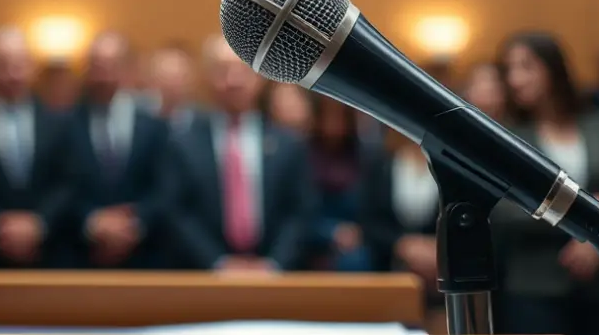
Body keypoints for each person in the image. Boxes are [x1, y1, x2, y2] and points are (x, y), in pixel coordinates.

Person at [491, 32, 599, 335]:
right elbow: (501, 209)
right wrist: (587, 219)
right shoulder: (508, 136)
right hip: (536, 289)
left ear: (553, 68)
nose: (515, 79)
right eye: (508, 70)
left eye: (526, 67)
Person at [162, 35, 316, 272]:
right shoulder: (183, 143)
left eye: (243, 69)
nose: (233, 80)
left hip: (276, 278)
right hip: (203, 277)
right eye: (222, 70)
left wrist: (274, 265)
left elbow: (300, 212)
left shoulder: (288, 144)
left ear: (259, 75)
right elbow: (177, 212)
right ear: (207, 77)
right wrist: (218, 263)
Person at [0, 27, 78, 268]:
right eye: (3, 65)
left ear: (32, 67)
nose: (12, 74)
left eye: (19, 64)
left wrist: (39, 223)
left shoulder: (59, 123)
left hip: (51, 253)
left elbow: (68, 182)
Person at [74, 33, 171, 269]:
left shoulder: (155, 126)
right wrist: (92, 221)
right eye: (97, 67)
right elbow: (62, 185)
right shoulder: (67, 124)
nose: (104, 76)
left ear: (128, 69)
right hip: (83, 255)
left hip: (146, 256)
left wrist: (135, 223)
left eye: (111, 66)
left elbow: (166, 187)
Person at [359, 128, 442, 328]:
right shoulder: (382, 163)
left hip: (439, 256)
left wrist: (438, 248)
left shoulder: (448, 165)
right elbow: (369, 221)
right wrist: (401, 244)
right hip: (391, 256)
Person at [308, 98, 371, 272]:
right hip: (313, 235)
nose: (333, 124)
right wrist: (332, 232)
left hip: (358, 238)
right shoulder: (303, 155)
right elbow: (300, 213)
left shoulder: (366, 157)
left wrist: (357, 232)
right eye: (328, 117)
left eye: (340, 117)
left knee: (356, 259)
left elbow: (373, 211)